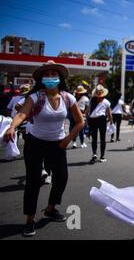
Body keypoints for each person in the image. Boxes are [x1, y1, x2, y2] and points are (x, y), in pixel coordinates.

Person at [3, 60, 84, 237]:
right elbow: (22, 113)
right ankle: (30, 220)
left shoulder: (67, 97)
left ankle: (50, 208)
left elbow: (80, 122)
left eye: (53, 74)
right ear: (41, 79)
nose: (50, 77)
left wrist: (68, 140)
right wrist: (12, 127)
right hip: (35, 143)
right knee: (33, 182)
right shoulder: (35, 97)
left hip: (58, 144)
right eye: (46, 75)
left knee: (62, 178)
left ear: (59, 78)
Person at [87, 85, 113, 164]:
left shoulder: (91, 101)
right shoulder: (106, 101)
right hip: (101, 119)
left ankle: (94, 153)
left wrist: (87, 121)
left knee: (94, 138)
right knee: (102, 138)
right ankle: (102, 156)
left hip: (92, 120)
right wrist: (111, 121)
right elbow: (109, 113)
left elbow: (87, 111)